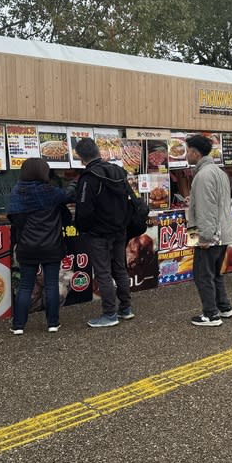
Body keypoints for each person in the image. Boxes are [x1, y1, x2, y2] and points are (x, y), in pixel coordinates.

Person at [74, 137, 134, 327]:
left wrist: (82, 228)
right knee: (119, 269)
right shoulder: (118, 171)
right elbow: (130, 198)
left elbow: (84, 209)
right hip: (120, 229)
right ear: (98, 151)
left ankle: (109, 314)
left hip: (99, 233)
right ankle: (126, 308)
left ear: (80, 157)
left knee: (103, 273)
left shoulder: (89, 177)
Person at [7, 158, 71, 334]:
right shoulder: (51, 192)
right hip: (51, 246)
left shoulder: (17, 193)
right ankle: (53, 323)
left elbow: (15, 220)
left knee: (25, 285)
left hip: (27, 246)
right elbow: (67, 197)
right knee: (51, 284)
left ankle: (18, 325)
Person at [185, 134, 232, 326]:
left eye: (188, 150)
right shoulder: (219, 172)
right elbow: (216, 202)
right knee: (215, 273)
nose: (186, 154)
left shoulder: (203, 175)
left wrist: (204, 237)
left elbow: (206, 208)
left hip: (209, 234)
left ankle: (211, 314)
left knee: (203, 274)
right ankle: (224, 307)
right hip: (222, 231)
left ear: (195, 153)